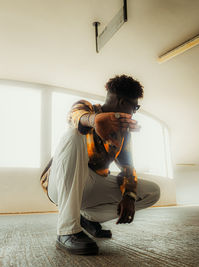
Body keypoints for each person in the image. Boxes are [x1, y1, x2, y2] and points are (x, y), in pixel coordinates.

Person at [40, 74, 160, 255]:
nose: (134, 112)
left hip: (91, 185)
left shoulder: (123, 132)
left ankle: (85, 218)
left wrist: (129, 195)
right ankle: (67, 230)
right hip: (59, 185)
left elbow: (128, 167)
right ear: (121, 102)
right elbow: (76, 116)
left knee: (152, 191)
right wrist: (94, 121)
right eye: (134, 107)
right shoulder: (86, 108)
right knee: (74, 135)